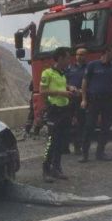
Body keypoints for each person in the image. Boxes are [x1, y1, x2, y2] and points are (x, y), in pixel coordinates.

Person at [80, 45, 112, 163]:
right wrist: (84, 99)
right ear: (107, 52)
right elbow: (84, 82)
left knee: (106, 126)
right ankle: (85, 153)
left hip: (108, 100)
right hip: (94, 100)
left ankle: (100, 152)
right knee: (89, 126)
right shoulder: (93, 65)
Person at [39, 48, 75, 182]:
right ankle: (46, 170)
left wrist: (69, 88)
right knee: (52, 141)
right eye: (67, 58)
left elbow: (61, 87)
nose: (69, 60)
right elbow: (42, 91)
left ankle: (57, 168)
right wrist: (62, 93)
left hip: (65, 109)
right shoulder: (47, 72)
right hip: (54, 111)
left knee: (61, 141)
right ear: (60, 58)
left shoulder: (62, 74)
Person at [65, 47, 87, 154]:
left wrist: (82, 91)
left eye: (82, 54)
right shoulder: (69, 68)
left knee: (81, 123)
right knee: (68, 122)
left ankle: (79, 146)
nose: (79, 56)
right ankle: (65, 147)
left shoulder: (89, 68)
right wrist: (69, 87)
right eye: (78, 54)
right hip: (70, 99)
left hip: (82, 99)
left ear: (85, 56)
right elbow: (63, 81)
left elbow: (91, 82)